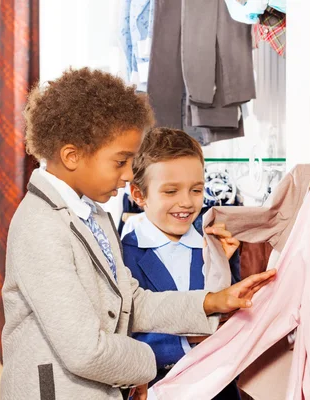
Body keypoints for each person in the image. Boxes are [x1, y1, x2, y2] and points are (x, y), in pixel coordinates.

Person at [0, 67, 276, 400]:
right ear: (72, 156)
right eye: (120, 162)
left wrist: (212, 302)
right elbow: (85, 350)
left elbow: (130, 300)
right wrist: (148, 365)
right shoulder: (40, 226)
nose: (130, 173)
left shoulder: (96, 215)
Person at [122, 127, 242, 399]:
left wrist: (223, 266)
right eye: (171, 191)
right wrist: (185, 342)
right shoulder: (122, 257)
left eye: (196, 190)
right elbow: (122, 341)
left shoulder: (214, 247)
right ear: (139, 195)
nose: (186, 202)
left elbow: (232, 323)